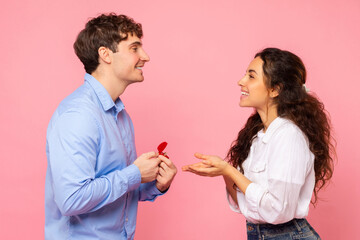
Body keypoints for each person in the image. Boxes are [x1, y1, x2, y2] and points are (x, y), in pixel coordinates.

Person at [45, 13, 177, 240]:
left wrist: (156, 184)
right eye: (134, 48)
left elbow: (117, 190)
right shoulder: (78, 115)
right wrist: (134, 173)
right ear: (105, 54)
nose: (145, 56)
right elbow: (72, 199)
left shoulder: (121, 116)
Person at [183, 48, 334, 239]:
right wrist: (223, 171)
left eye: (251, 76)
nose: (241, 81)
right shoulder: (258, 137)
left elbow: (278, 211)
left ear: (274, 89)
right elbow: (246, 205)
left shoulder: (289, 136)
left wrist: (230, 171)